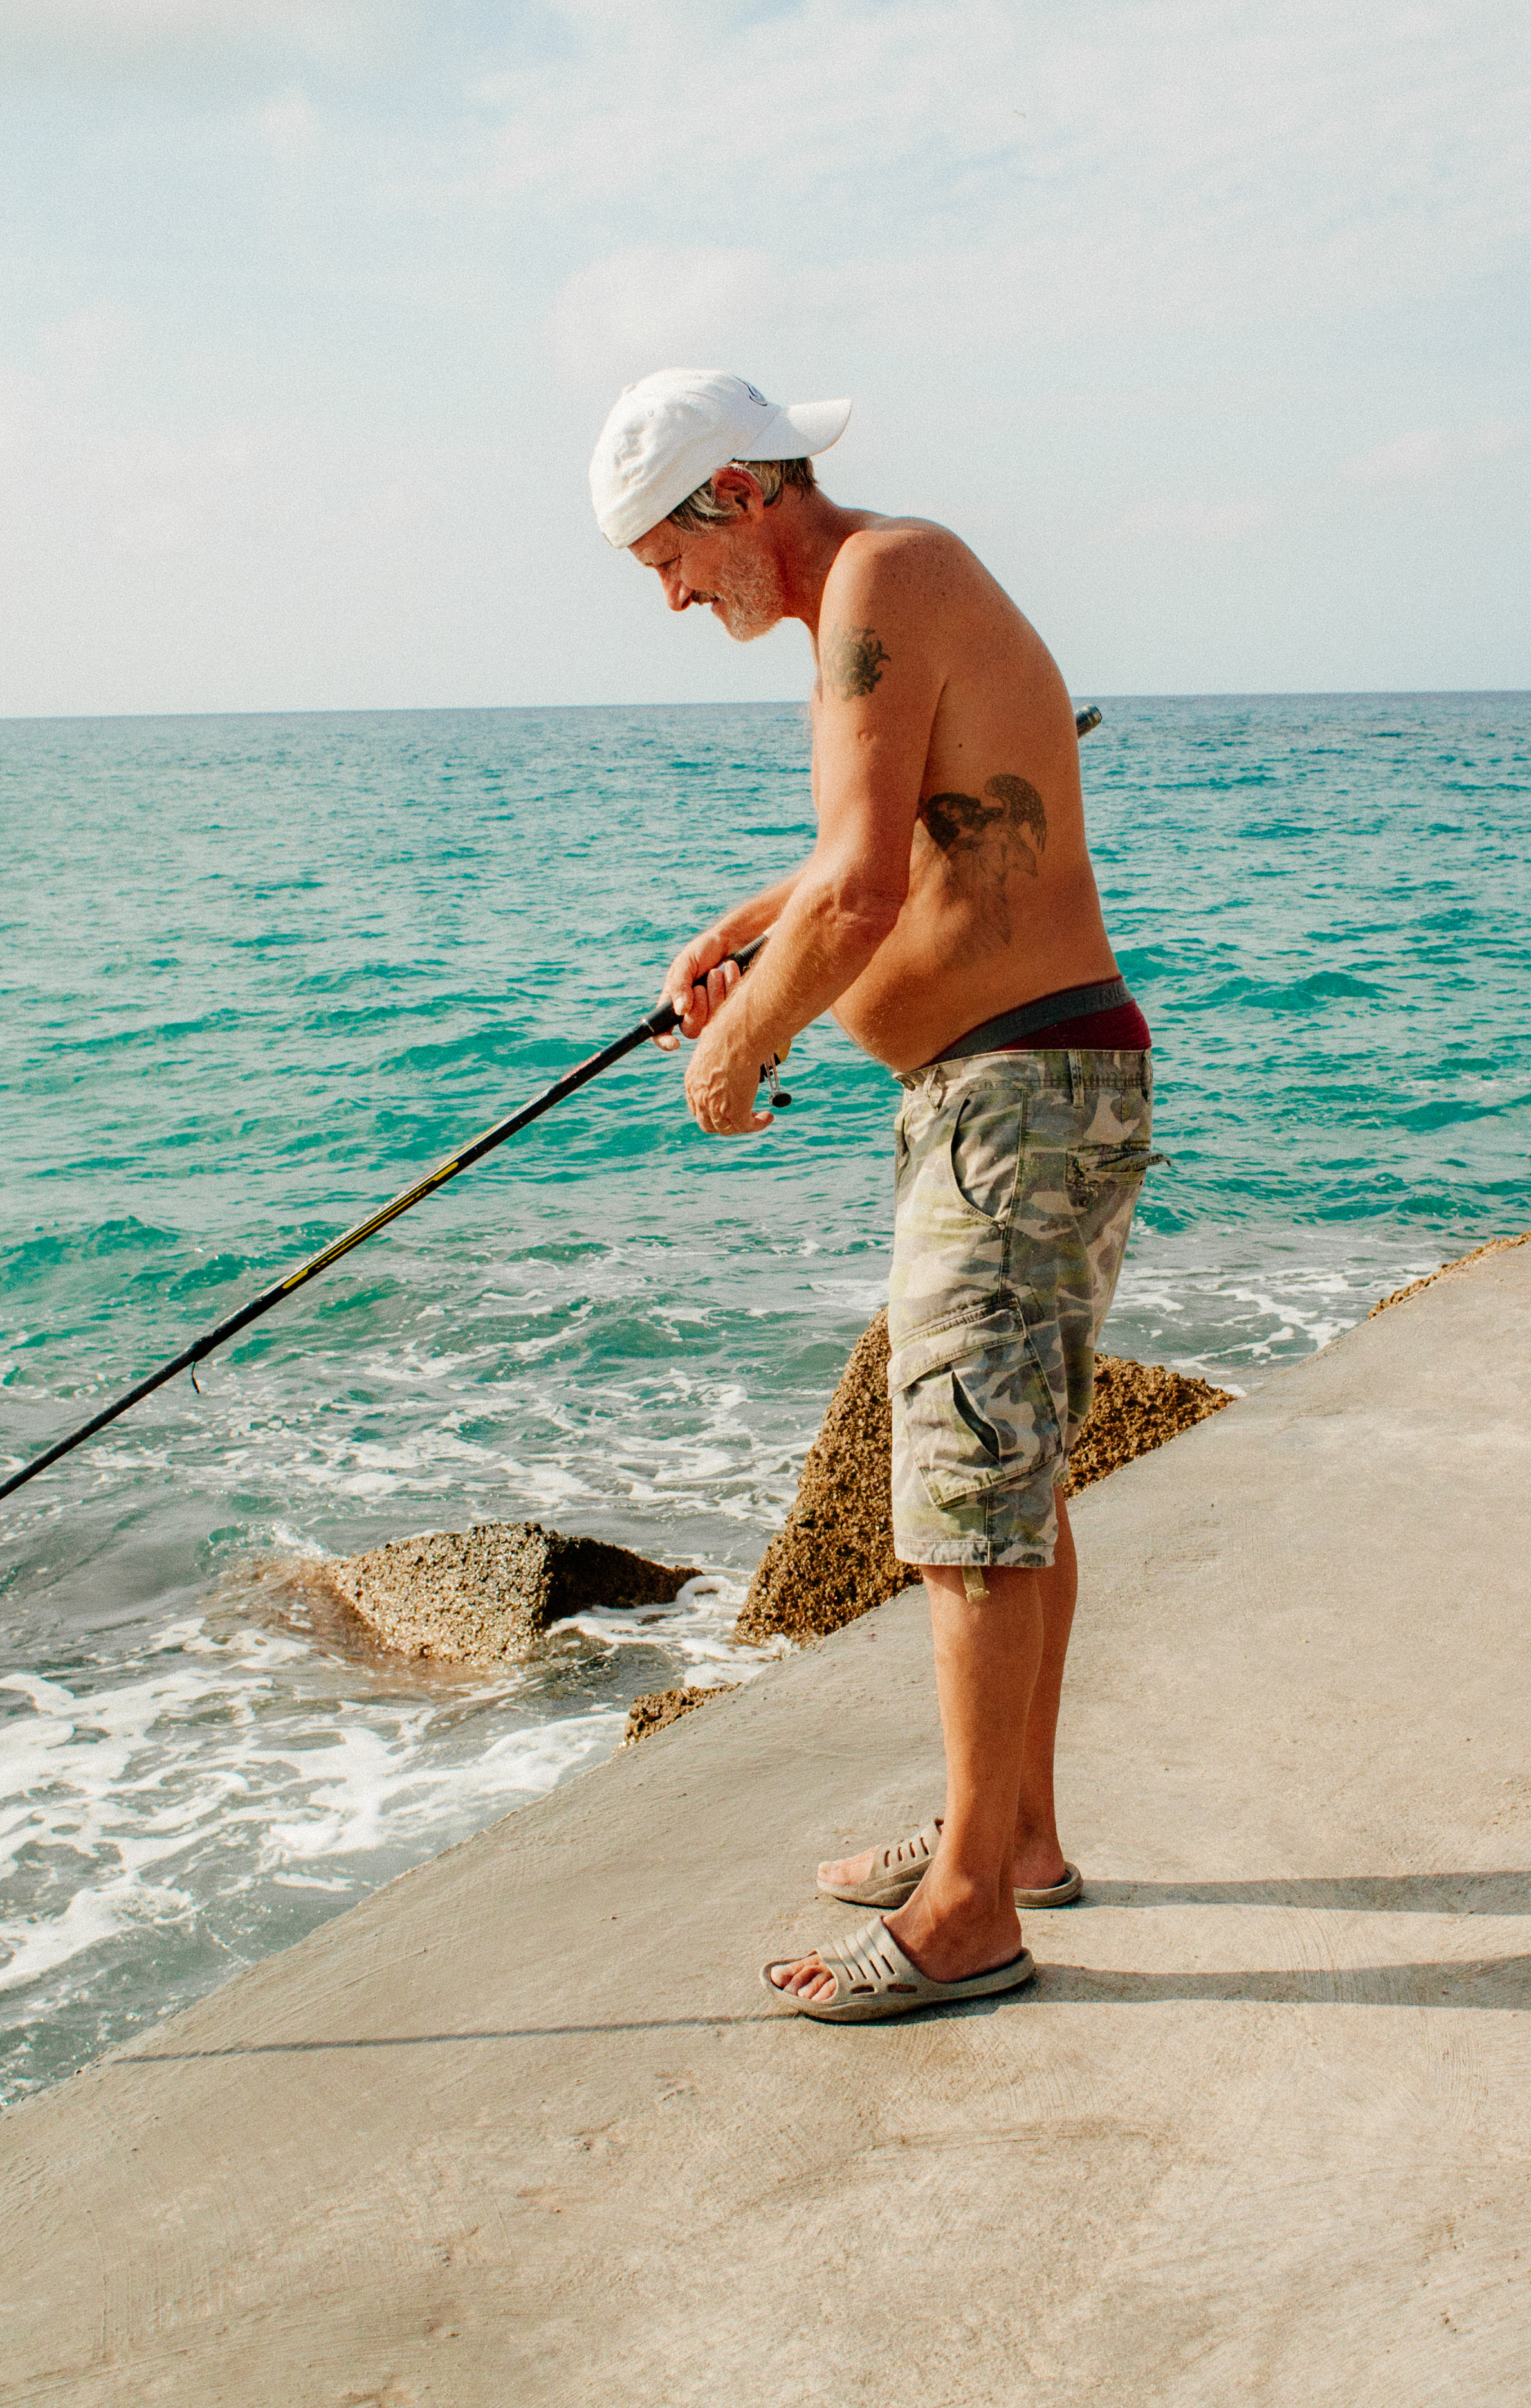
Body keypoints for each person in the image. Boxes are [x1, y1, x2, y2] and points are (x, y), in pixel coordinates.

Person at [587, 369, 1160, 2021]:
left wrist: (736, 1049)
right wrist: (741, 931)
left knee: (969, 1506)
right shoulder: (885, 586)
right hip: (1021, 1086)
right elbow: (898, 837)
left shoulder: (883, 576)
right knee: (1015, 1488)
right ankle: (1018, 1832)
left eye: (671, 565)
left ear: (734, 497)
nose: (681, 601)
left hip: (1016, 1092)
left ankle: (974, 1908)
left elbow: (860, 892)